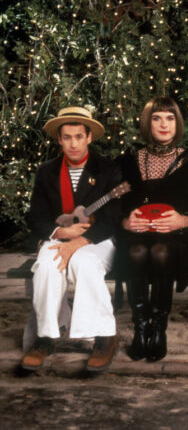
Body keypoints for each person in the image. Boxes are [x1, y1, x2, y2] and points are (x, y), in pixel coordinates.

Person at [22, 106, 122, 372]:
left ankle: (104, 336)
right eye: (67, 137)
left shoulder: (108, 169)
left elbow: (113, 219)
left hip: (96, 240)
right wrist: (60, 233)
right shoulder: (47, 172)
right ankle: (46, 336)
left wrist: (79, 242)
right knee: (46, 267)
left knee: (84, 263)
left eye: (79, 136)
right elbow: (35, 217)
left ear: (89, 137)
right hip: (59, 236)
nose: (73, 144)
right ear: (59, 139)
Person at [116, 97, 188, 362]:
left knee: (161, 250)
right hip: (137, 234)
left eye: (170, 118)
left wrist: (183, 221)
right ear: (147, 123)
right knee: (136, 251)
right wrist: (125, 222)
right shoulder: (129, 159)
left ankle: (159, 328)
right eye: (157, 118)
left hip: (178, 238)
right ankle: (141, 328)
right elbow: (112, 206)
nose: (164, 124)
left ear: (177, 123)